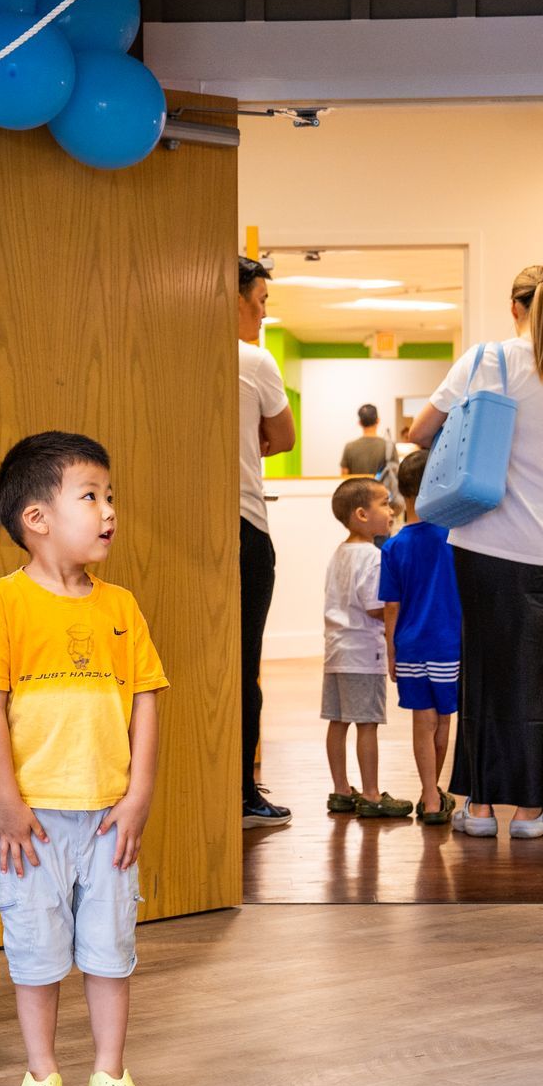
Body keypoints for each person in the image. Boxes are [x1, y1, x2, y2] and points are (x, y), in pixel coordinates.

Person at [0, 432, 166, 1086]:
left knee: (111, 949)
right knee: (36, 950)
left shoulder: (122, 607)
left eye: (110, 497)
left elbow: (146, 698)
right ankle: (42, 1074)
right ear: (37, 518)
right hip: (32, 824)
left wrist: (138, 794)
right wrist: (10, 804)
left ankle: (110, 1075)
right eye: (91, 496)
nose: (109, 510)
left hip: (109, 816)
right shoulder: (1, 604)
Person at [406, 266, 543, 841]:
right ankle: (531, 812)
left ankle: (477, 808)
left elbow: (419, 432)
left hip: (478, 540)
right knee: (539, 678)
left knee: (481, 671)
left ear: (514, 306)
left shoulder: (484, 360)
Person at [237, 256, 297, 825]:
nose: (261, 314)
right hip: (243, 527)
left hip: (190, 526)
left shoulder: (177, 353)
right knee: (242, 664)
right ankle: (241, 791)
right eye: (259, 303)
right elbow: (283, 436)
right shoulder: (254, 360)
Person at [380, 451, 461, 825]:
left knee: (421, 720)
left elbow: (391, 607)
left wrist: (392, 651)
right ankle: (435, 799)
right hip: (448, 645)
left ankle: (429, 794)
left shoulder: (393, 546)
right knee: (444, 720)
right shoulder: (452, 538)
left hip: (411, 645)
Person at [321, 476, 409, 820]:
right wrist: (400, 607)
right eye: (385, 503)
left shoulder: (340, 552)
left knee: (338, 721)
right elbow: (376, 606)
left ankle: (341, 790)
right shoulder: (372, 557)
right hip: (364, 653)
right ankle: (371, 794)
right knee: (368, 724)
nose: (391, 511)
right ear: (361, 513)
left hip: (337, 652)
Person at [340, 402, 398, 484]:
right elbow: (395, 473)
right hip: (381, 494)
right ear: (378, 421)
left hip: (356, 494)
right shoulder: (389, 446)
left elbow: (344, 478)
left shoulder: (349, 447)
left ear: (360, 423)